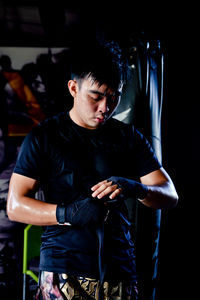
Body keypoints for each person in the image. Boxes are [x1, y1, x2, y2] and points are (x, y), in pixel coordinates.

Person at [6, 40, 178, 300]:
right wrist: (67, 213)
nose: (105, 108)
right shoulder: (44, 137)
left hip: (120, 270)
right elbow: (15, 206)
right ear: (74, 88)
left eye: (113, 98)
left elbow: (169, 194)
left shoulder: (128, 137)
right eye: (96, 97)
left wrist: (137, 188)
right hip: (64, 271)